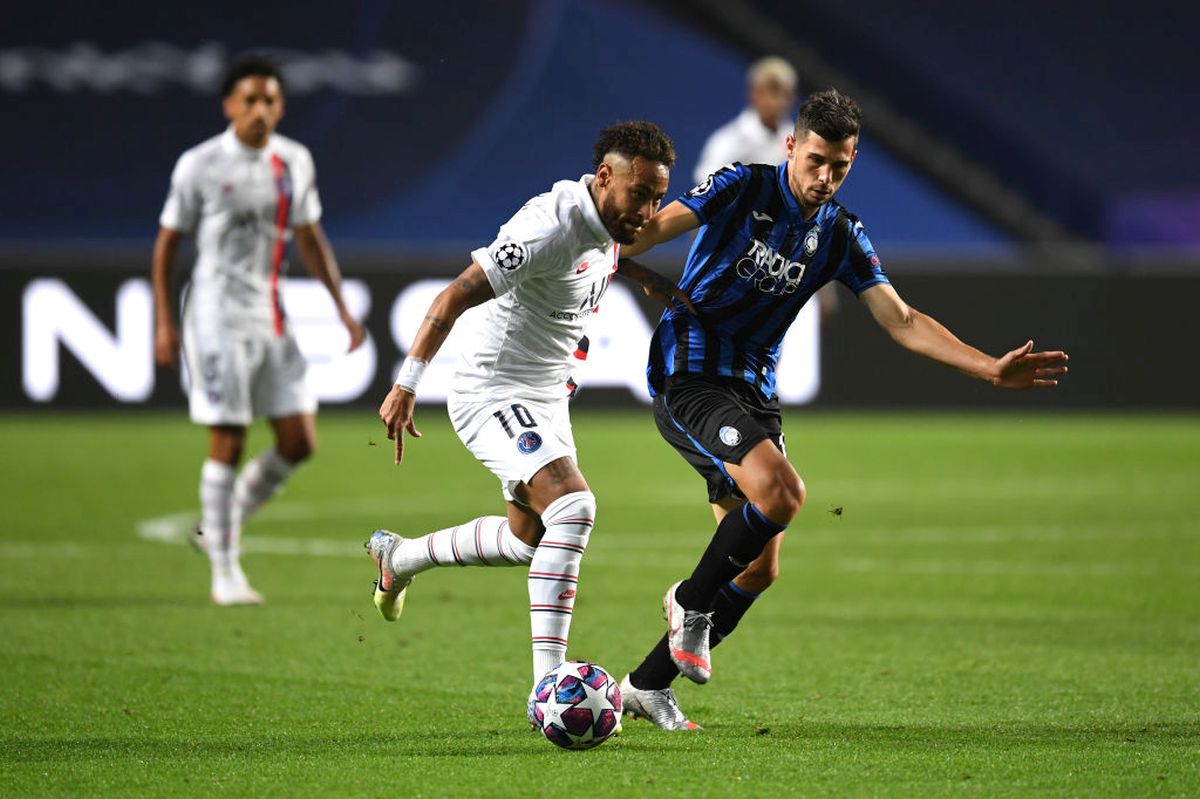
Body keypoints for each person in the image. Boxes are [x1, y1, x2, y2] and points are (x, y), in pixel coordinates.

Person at [614, 89, 1070, 730]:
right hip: (689, 373)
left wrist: (989, 367)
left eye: (842, 167)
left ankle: (646, 685)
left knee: (762, 568)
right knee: (783, 493)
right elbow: (639, 234)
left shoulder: (841, 234)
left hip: (752, 390)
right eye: (818, 160)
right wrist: (618, 260)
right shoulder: (743, 187)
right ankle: (688, 602)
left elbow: (903, 320)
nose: (825, 178)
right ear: (791, 147)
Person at [366, 122, 689, 697]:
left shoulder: (608, 217)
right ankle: (550, 691)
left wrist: (645, 277)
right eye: (640, 195)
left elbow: (604, 254)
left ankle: (400, 557)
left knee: (529, 540)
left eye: (658, 197)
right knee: (574, 507)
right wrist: (406, 384)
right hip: (494, 390)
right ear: (605, 177)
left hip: (546, 394)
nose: (648, 211)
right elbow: (454, 295)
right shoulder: (547, 227)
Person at [152, 54, 365, 605]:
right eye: (249, 99)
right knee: (229, 439)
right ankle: (225, 572)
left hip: (272, 314)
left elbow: (310, 236)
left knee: (299, 441)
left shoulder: (293, 160)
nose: (260, 109)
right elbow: (168, 245)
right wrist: (163, 321)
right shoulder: (199, 165)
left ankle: (214, 529)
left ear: (281, 106)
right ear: (229, 105)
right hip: (216, 320)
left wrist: (341, 307)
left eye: (270, 100)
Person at [693, 56, 798, 185]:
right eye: (773, 91)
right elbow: (705, 186)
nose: (781, 101)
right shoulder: (727, 140)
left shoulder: (798, 140)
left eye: (786, 93)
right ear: (754, 93)